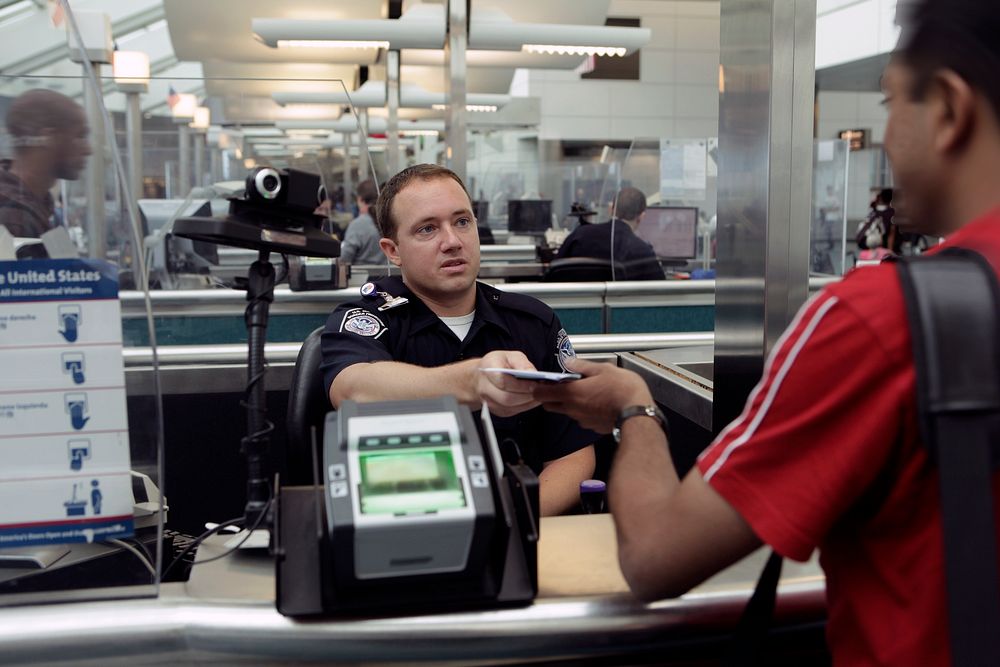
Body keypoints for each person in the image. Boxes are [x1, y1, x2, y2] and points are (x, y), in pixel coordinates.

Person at [533, 0, 1000, 663]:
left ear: (951, 109)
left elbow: (659, 554)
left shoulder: (886, 321)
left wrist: (632, 405)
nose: (888, 136)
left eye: (893, 103)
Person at [319, 164, 596, 516]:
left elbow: (573, 453)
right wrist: (472, 380)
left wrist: (509, 523)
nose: (452, 241)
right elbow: (355, 389)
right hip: (402, 527)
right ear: (393, 250)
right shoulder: (368, 321)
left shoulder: (532, 323)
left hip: (520, 525)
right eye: (427, 229)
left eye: (462, 222)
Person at [0, 89, 91, 238]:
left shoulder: (34, 204)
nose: (88, 150)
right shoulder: (14, 217)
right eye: (79, 137)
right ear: (49, 138)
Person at [554, 187, 665, 280]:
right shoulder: (643, 251)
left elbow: (554, 270)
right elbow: (661, 291)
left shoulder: (580, 234)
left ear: (611, 210)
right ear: (641, 216)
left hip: (571, 303)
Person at [338, 179, 385, 265]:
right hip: (388, 276)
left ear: (360, 199)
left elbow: (344, 258)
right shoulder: (387, 220)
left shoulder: (357, 224)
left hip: (362, 277)